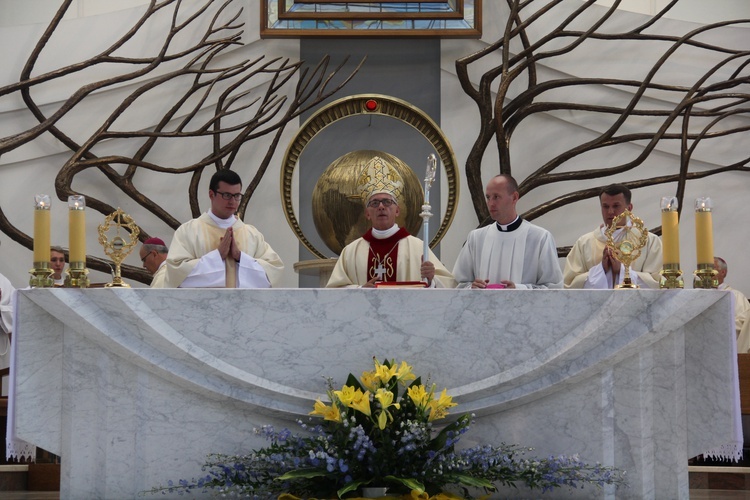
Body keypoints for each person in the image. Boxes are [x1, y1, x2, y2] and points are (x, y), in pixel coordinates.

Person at [326, 176, 455, 288]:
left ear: (397, 211)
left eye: (387, 202)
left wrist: (432, 278)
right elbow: (334, 290)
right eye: (375, 203)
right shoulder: (350, 252)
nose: (381, 207)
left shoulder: (418, 248)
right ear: (367, 214)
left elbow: (449, 285)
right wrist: (361, 289)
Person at [164, 170, 284, 288]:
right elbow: (176, 274)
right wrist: (217, 256)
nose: (232, 201)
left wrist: (240, 257)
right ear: (211, 194)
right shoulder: (188, 231)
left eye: (237, 196)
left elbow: (273, 271)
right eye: (227, 195)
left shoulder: (252, 234)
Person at [452, 175, 563, 289]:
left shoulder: (540, 238)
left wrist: (519, 289)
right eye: (488, 197)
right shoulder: (476, 238)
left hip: (522, 307)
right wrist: (472, 288)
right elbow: (458, 284)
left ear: (514, 197)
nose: (490, 203)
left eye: (496, 197)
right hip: (482, 307)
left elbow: (554, 289)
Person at [563, 184, 662, 289]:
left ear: (629, 208)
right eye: (605, 206)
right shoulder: (584, 243)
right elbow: (569, 285)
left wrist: (622, 271)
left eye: (616, 206)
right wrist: (601, 269)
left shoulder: (649, 241)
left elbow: (658, 283)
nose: (610, 212)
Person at [715, 257, 750, 352]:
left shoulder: (736, 296)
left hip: (728, 347)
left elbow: (744, 323)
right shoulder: (698, 296)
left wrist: (717, 328)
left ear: (723, 272)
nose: (708, 274)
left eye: (712, 269)